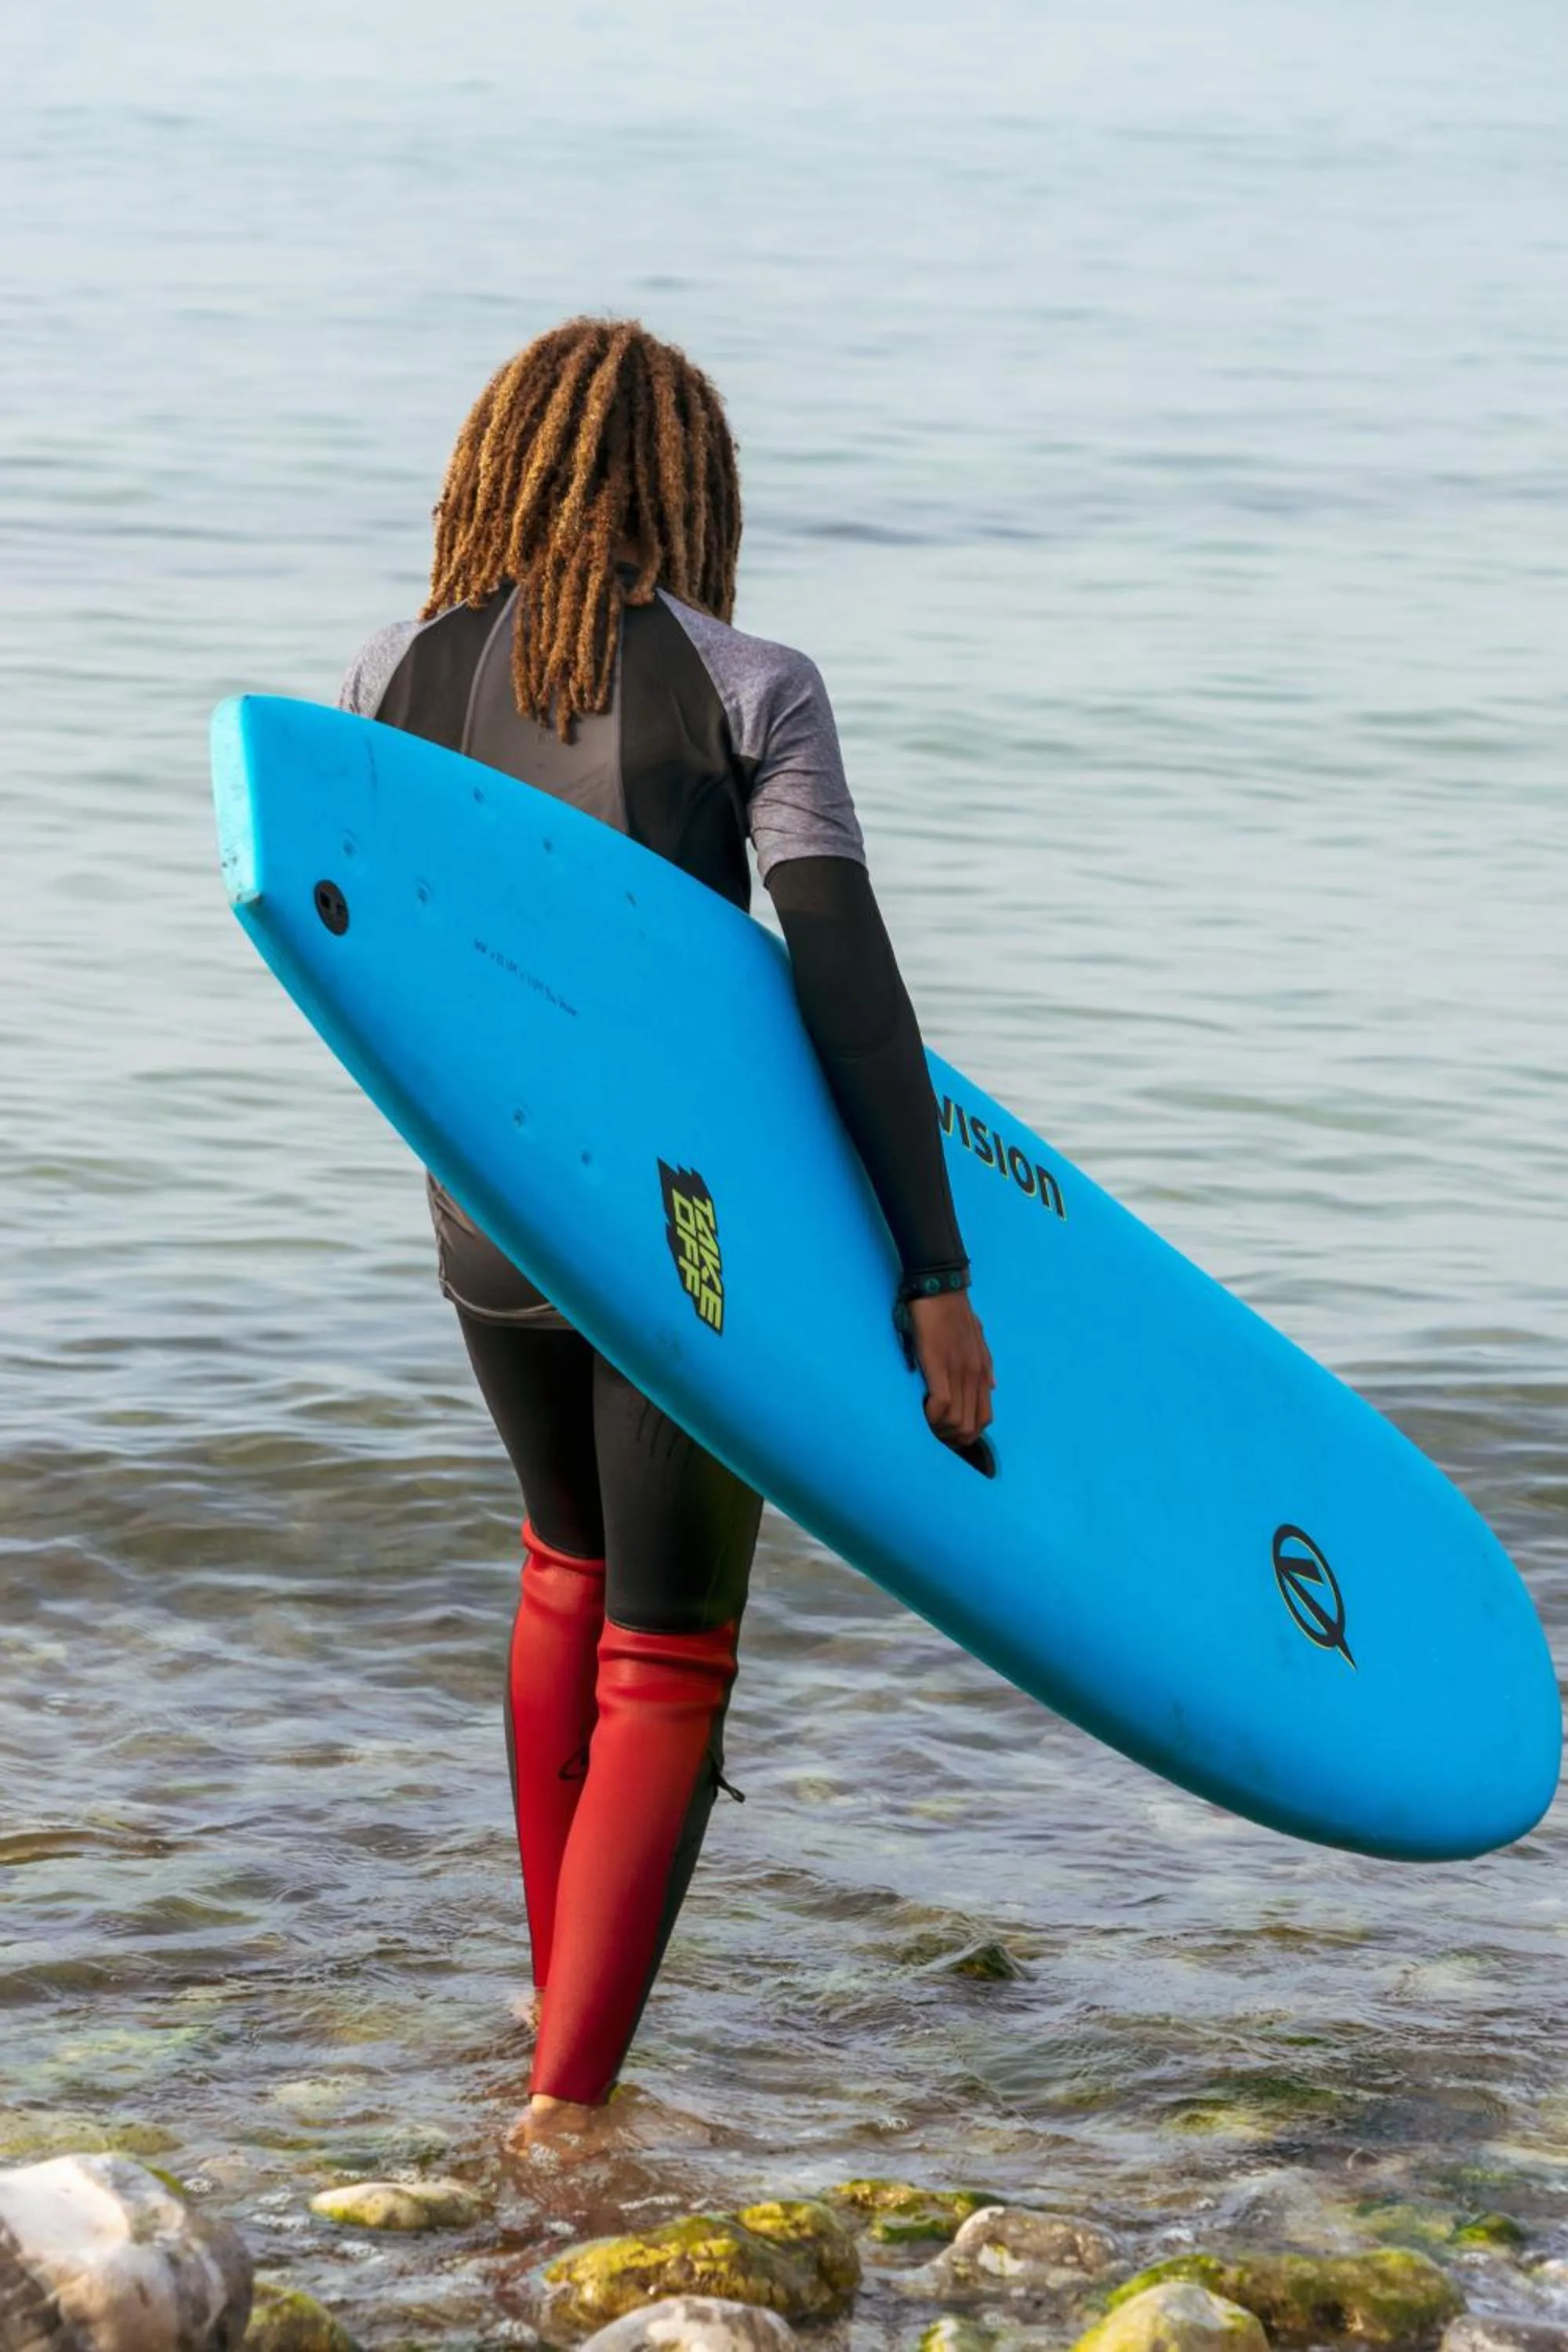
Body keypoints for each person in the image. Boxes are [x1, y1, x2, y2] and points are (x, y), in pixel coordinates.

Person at [337, 317, 993, 2139]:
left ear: (499, 463)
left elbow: (364, 960)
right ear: (692, 483)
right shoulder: (753, 681)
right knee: (673, 1645)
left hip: (483, 1216)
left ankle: (552, 2034)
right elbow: (847, 985)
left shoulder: (394, 662)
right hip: (683, 1240)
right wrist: (934, 1275)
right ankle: (567, 2111)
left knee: (563, 1567)